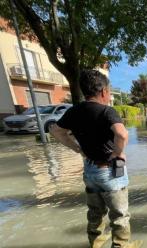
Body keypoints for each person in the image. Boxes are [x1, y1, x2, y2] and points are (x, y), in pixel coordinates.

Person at [50, 70, 142, 248]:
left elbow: (55, 131)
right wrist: (118, 154)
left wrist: (78, 149)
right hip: (110, 171)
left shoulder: (74, 111)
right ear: (103, 92)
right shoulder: (107, 111)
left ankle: (96, 243)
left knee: (94, 212)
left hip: (90, 171)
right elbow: (122, 134)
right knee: (119, 216)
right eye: (108, 91)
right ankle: (122, 245)